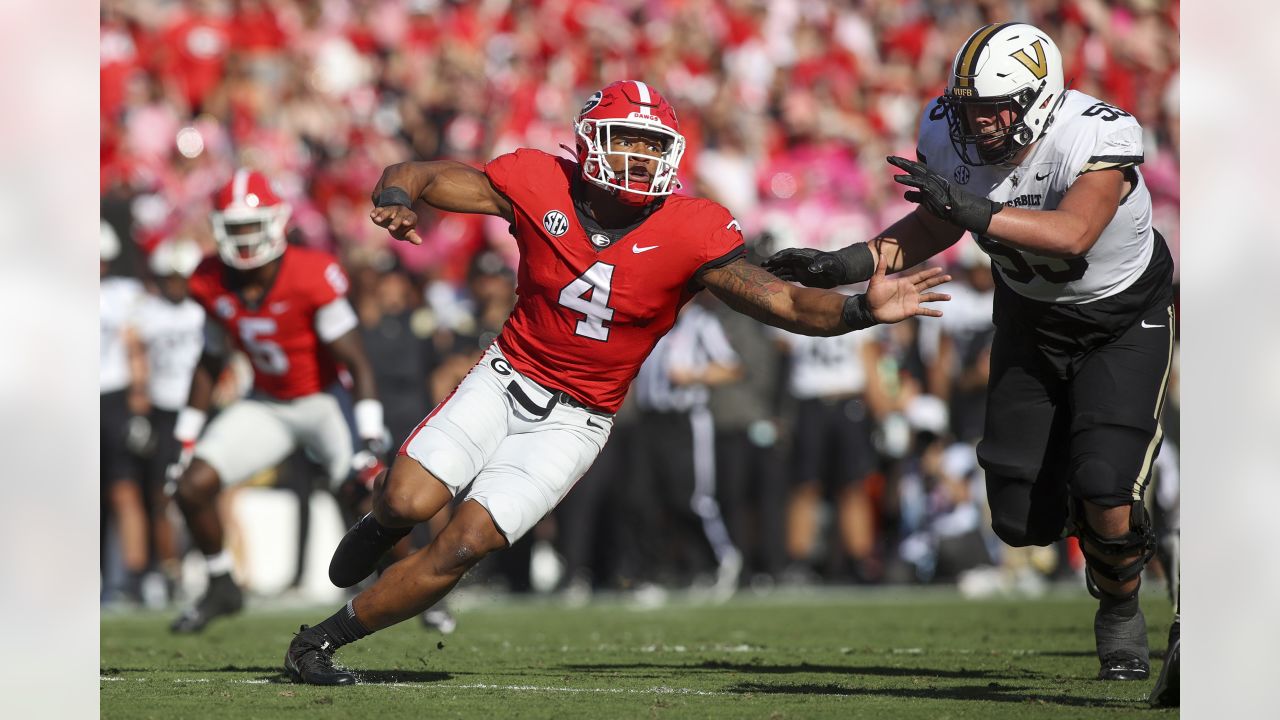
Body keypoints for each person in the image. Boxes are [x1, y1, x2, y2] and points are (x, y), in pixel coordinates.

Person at [283, 80, 951, 685]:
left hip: (579, 417)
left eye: (651, 144)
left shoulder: (693, 228)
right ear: (588, 143)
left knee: (464, 544)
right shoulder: (538, 180)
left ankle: (320, 641)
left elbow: (784, 304)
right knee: (406, 501)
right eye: (625, 140)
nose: (638, 157)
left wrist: (863, 307)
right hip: (505, 374)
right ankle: (379, 523)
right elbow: (423, 173)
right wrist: (397, 196)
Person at [764, 23, 1175, 681]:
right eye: (969, 109)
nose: (978, 125)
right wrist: (841, 264)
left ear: (1039, 99)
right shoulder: (948, 134)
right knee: (1017, 519)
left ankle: (1121, 602)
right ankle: (1112, 518)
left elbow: (1072, 235)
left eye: (993, 109)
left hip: (1121, 320)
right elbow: (934, 220)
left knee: (1104, 483)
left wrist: (975, 213)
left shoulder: (1095, 133)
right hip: (1028, 316)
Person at [168, 169, 387, 633]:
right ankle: (222, 583)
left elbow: (358, 362)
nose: (245, 239)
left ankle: (410, 585)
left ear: (275, 222)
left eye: (252, 226)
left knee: (368, 493)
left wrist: (368, 434)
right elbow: (208, 362)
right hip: (266, 404)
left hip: (321, 400)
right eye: (236, 228)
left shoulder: (310, 273)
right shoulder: (210, 279)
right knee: (191, 485)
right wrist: (184, 438)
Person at [133, 237, 207, 605]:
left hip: (202, 409)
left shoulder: (204, 310)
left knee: (212, 490)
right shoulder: (146, 312)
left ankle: (214, 567)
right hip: (163, 411)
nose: (176, 284)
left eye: (183, 277)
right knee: (161, 495)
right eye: (170, 277)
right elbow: (136, 361)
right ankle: (169, 570)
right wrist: (138, 408)